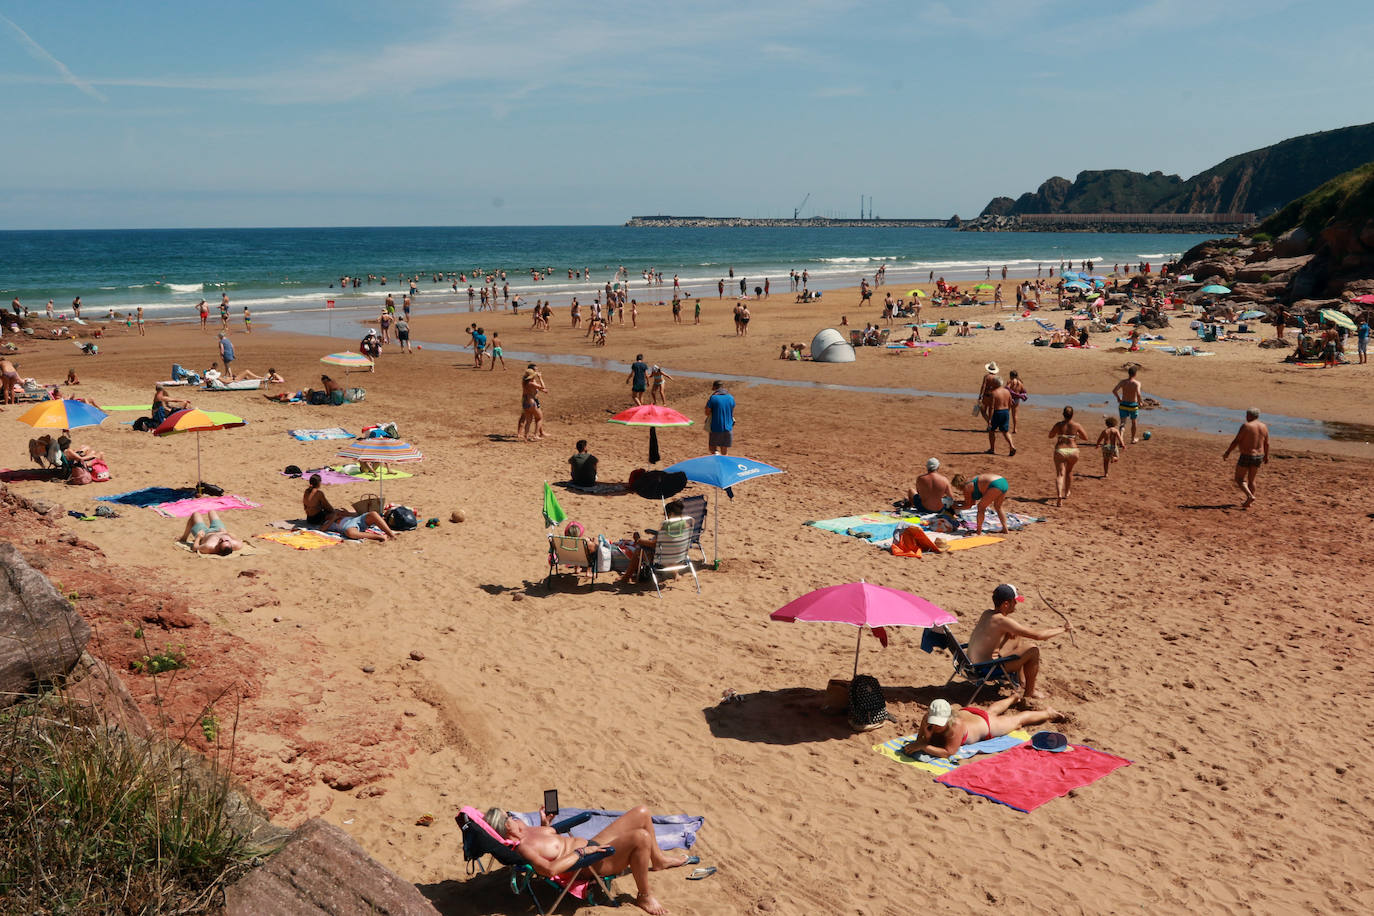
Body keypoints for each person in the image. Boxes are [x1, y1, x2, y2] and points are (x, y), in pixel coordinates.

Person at [481, 804, 692, 916]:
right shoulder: (525, 847)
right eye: (508, 816)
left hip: (591, 845)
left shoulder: (528, 830)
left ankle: (659, 860)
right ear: (505, 827)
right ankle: (644, 896)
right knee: (640, 837)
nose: (513, 817)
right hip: (589, 864)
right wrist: (581, 854)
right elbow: (549, 869)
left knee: (642, 812)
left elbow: (552, 833)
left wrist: (546, 822)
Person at [965, 583, 1069, 700]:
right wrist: (1063, 629)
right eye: (1014, 601)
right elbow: (1039, 636)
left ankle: (1021, 682)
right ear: (1006, 604)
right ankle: (1029, 694)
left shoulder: (987, 613)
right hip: (984, 669)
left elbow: (992, 634)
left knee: (1017, 636)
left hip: (971, 664)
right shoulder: (1002, 621)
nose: (1016, 604)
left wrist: (1007, 632)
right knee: (1033, 650)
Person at [900, 696, 1062, 759]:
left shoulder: (955, 726)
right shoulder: (927, 718)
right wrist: (925, 738)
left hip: (985, 726)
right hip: (969, 715)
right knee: (991, 711)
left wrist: (923, 745)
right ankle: (1013, 698)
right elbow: (921, 738)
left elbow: (948, 752)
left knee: (1017, 721)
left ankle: (1048, 713)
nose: (935, 724)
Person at [619, 499, 685, 584]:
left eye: (665, 515)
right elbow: (670, 539)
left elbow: (654, 545)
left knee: (639, 551)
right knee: (668, 550)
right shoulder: (685, 524)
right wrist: (657, 534)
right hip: (678, 557)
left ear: (670, 514)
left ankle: (626, 578)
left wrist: (639, 540)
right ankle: (676, 574)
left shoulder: (667, 526)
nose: (665, 517)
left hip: (663, 559)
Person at [1222, 407, 1270, 509]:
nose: (1246, 417)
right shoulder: (1264, 426)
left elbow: (1236, 441)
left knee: (1239, 478)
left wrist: (1227, 452)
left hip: (1247, 455)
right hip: (1259, 456)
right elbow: (1267, 443)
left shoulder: (1246, 426)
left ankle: (1250, 496)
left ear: (1250, 416)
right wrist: (1266, 456)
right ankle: (1249, 503)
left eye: (1247, 415)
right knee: (1252, 480)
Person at [1047, 406, 1089, 507]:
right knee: (1069, 471)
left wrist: (1059, 433)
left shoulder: (1058, 424)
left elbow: (1050, 435)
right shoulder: (1076, 425)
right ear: (1072, 415)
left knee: (1060, 474)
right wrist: (1076, 435)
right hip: (1073, 451)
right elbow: (1085, 438)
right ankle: (1067, 492)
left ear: (1063, 414)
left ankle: (1059, 496)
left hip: (1060, 450)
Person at [179, 510, 245, 556]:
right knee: (212, 511)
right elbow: (237, 538)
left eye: (221, 541)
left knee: (195, 514)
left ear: (218, 547)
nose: (223, 539)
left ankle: (184, 537)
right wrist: (226, 533)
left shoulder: (209, 546)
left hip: (204, 533)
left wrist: (198, 538)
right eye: (226, 540)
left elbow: (195, 548)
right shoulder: (237, 545)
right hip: (219, 530)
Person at [324, 507, 397, 542]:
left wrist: (347, 513)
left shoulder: (339, 513)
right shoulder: (328, 523)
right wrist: (333, 519)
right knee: (350, 533)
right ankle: (380, 537)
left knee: (373, 514)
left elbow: (357, 513)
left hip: (357, 520)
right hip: (348, 526)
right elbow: (322, 529)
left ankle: (391, 535)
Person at [984, 379, 1015, 456]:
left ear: (995, 384)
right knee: (1005, 431)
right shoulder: (1007, 391)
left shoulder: (993, 393)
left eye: (993, 383)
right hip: (1005, 412)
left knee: (991, 431)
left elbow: (991, 407)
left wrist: (990, 419)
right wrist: (1008, 412)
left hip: (997, 412)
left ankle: (992, 449)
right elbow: (1011, 403)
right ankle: (1012, 446)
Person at [1112, 366, 1143, 444]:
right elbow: (1138, 394)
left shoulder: (1123, 382)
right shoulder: (1137, 383)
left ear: (1128, 373)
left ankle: (1121, 438)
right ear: (1135, 374)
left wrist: (1118, 398)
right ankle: (1132, 439)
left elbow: (1114, 391)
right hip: (1133, 405)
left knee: (1123, 422)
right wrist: (1140, 402)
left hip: (1123, 404)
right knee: (1134, 422)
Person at [705, 380, 735, 455]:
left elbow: (707, 412)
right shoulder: (731, 397)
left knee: (712, 448)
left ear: (715, 387)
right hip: (728, 427)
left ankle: (717, 460)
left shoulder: (713, 398)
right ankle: (724, 463)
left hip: (716, 427)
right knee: (724, 449)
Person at [519, 364, 547, 441]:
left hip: (525, 403)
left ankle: (526, 437)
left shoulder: (525, 382)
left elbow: (537, 388)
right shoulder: (532, 383)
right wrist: (540, 378)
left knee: (528, 421)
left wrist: (541, 390)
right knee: (539, 418)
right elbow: (543, 386)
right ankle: (535, 435)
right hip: (532, 402)